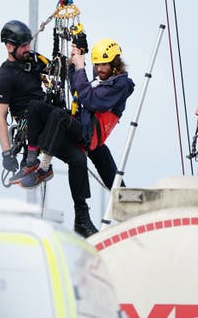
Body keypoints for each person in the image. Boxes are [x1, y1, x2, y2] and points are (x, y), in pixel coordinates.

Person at [9, 37, 134, 236]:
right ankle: (31, 160)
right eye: (98, 64)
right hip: (82, 127)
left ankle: (43, 168)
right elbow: (77, 88)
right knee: (36, 108)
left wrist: (81, 68)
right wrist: (75, 58)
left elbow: (92, 102)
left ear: (115, 64)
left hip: (88, 134)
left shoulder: (121, 85)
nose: (100, 68)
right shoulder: (98, 79)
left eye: (105, 64)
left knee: (61, 118)